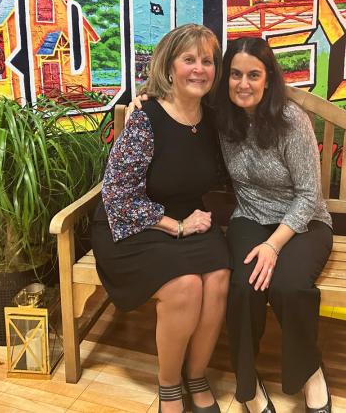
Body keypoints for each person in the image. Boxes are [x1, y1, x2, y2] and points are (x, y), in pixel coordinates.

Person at [93, 23, 231, 413]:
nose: (199, 69)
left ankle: (196, 374)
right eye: (189, 59)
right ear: (170, 66)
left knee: (218, 278)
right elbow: (118, 195)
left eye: (207, 61)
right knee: (185, 286)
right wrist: (177, 226)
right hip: (131, 223)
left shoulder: (213, 120)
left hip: (190, 215)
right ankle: (169, 384)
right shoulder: (145, 117)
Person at [215, 37, 333, 413]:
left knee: (289, 286)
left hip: (304, 222)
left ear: (268, 78)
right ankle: (248, 385)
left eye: (253, 74)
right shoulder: (222, 117)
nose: (243, 83)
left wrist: (273, 245)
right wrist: (145, 97)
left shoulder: (290, 120)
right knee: (242, 288)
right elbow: (176, 94)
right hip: (249, 217)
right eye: (235, 74)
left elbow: (309, 195)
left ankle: (310, 372)